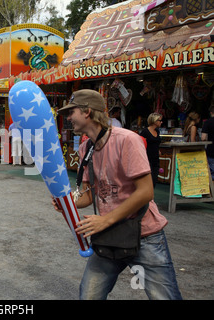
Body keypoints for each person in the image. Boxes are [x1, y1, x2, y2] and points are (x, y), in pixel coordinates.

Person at [54, 89, 182, 300]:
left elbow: (146, 191)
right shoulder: (86, 147)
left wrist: (104, 221)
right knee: (89, 296)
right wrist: (66, 202)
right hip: (109, 237)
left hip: (145, 235)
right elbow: (87, 196)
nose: (68, 118)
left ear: (87, 112)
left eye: (71, 112)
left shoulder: (127, 140)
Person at [140, 113, 163, 188]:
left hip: (155, 158)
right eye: (160, 120)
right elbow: (140, 143)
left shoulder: (157, 131)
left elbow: (156, 143)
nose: (161, 122)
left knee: (154, 179)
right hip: (147, 157)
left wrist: (158, 150)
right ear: (155, 121)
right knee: (148, 179)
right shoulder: (145, 132)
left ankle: (151, 197)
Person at [202, 104, 214, 179]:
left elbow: (203, 138)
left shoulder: (208, 122)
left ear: (211, 112)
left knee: (212, 173)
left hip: (212, 150)